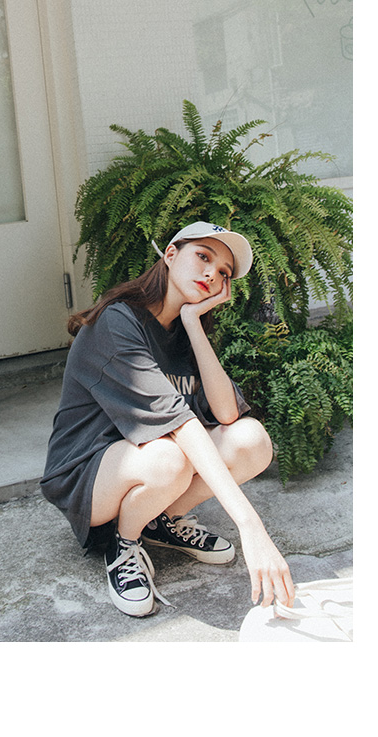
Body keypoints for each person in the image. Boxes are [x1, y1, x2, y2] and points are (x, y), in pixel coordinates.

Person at [40, 221, 296, 617]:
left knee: (252, 441)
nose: (212, 274)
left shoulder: (181, 331)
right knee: (170, 458)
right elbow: (179, 426)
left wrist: (194, 325)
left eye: (223, 272)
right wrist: (250, 525)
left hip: (148, 459)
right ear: (171, 255)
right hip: (88, 474)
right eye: (203, 256)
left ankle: (159, 521)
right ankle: (124, 542)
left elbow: (227, 414)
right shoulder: (118, 322)